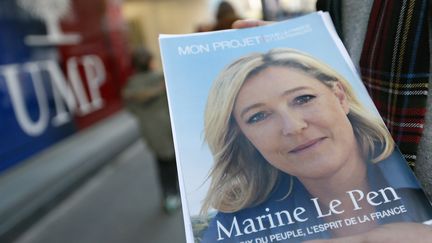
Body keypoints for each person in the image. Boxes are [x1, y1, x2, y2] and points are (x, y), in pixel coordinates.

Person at [200, 48, 432, 242]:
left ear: (340, 97)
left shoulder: (422, 161)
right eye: (259, 116)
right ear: (244, 137)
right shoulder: (238, 223)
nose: (293, 126)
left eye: (303, 99)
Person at [122, 48, 180, 213]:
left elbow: (131, 109)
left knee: (163, 164)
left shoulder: (131, 85)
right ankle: (181, 193)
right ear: (149, 62)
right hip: (170, 127)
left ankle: (169, 196)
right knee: (177, 163)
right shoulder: (162, 78)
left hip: (151, 130)